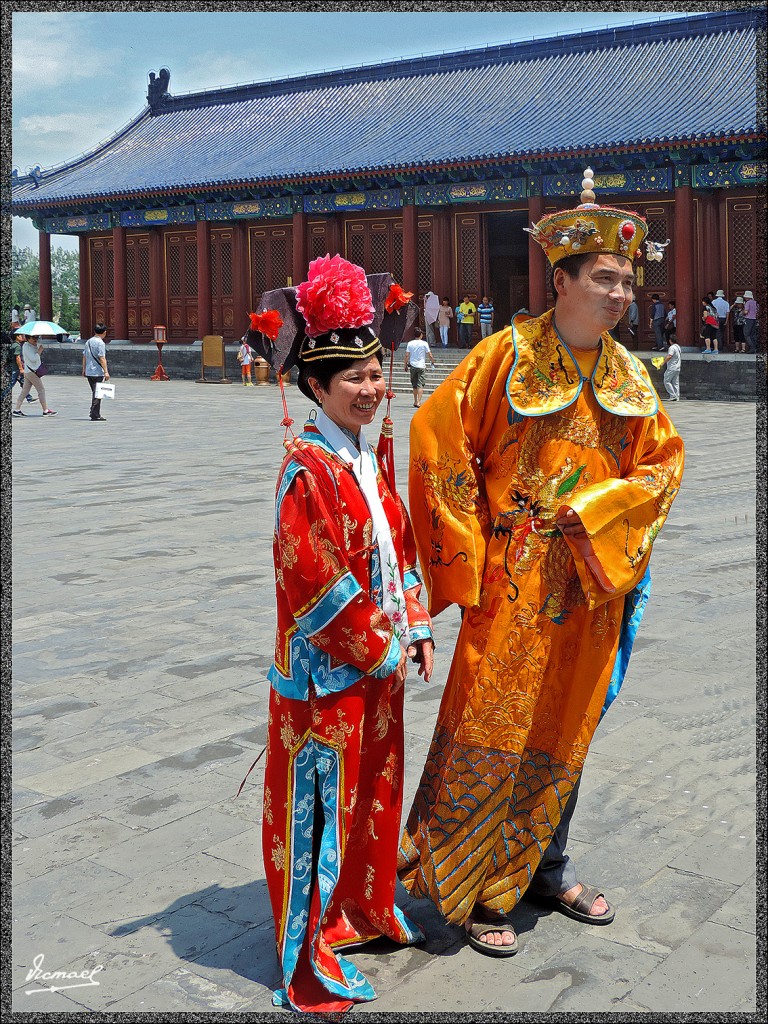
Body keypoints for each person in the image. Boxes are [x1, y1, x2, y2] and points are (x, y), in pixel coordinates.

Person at [398, 169, 684, 957]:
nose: (621, 294)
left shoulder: (630, 376)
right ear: (561, 281)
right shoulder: (504, 356)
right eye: (605, 279)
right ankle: (472, 888)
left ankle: (544, 870)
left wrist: (599, 519)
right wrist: (469, 557)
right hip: (513, 584)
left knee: (567, 728)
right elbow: (436, 442)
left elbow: (661, 469)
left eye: (627, 281)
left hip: (591, 588)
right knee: (491, 729)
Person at [259, 255, 434, 1013]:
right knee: (320, 809)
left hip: (377, 668)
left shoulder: (368, 455)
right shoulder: (307, 472)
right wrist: (380, 643)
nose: (371, 388)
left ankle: (361, 909)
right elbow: (313, 583)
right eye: (354, 379)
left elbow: (398, 546)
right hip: (324, 680)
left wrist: (416, 623)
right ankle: (309, 945)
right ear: (316, 386)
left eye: (375, 373)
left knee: (373, 796)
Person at [12, 335, 56, 416]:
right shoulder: (27, 347)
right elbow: (33, 359)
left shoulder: (31, 346)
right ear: (28, 338)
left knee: (25, 391)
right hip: (32, 372)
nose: (35, 339)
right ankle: (45, 410)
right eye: (33, 338)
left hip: (29, 371)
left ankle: (17, 409)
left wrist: (37, 348)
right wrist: (39, 351)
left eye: (36, 337)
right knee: (41, 390)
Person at [82, 323, 111, 421]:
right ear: (105, 332)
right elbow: (102, 357)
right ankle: (94, 414)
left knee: (95, 392)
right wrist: (106, 372)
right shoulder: (100, 343)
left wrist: (84, 369)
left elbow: (84, 356)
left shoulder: (88, 342)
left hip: (89, 371)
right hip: (98, 371)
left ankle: (95, 412)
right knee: (97, 393)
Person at [404, 326, 436, 408]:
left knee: (414, 384)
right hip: (421, 366)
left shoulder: (410, 343)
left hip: (413, 365)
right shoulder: (424, 343)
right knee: (420, 384)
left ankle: (415, 401)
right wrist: (432, 361)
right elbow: (429, 354)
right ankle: (419, 401)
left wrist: (405, 365)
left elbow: (407, 355)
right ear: (421, 335)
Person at [2, 330, 38, 403]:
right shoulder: (17, 346)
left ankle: (29, 397)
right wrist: (21, 368)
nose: (22, 337)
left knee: (23, 383)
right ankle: (2, 396)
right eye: (21, 335)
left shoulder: (13, 345)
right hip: (16, 369)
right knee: (10, 384)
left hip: (13, 368)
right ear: (17, 337)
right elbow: (17, 358)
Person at [663, 334, 682, 402]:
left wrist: (663, 362)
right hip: (677, 367)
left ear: (670, 340)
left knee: (666, 381)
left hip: (672, 367)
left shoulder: (672, 348)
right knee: (675, 382)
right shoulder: (678, 347)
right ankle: (677, 396)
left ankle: (673, 395)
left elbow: (669, 356)